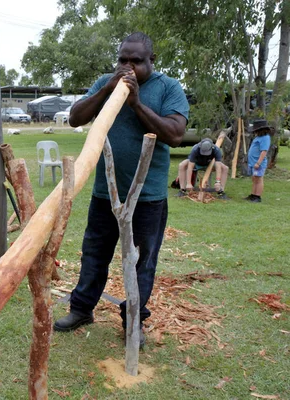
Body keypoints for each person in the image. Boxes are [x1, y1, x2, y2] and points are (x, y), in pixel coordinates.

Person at [54, 32, 189, 347]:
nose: (127, 66)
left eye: (136, 61)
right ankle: (82, 309)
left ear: (151, 61)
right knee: (94, 254)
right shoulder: (106, 81)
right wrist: (107, 90)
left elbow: (175, 134)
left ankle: (133, 322)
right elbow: (75, 118)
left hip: (147, 197)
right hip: (106, 193)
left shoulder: (168, 87)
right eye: (122, 60)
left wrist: (136, 103)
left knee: (141, 261)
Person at [244, 119, 272, 203]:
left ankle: (257, 196)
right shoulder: (258, 137)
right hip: (253, 162)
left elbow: (264, 151)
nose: (254, 132)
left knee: (259, 179)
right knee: (254, 178)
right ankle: (253, 194)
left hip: (258, 163)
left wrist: (258, 162)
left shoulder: (265, 138)